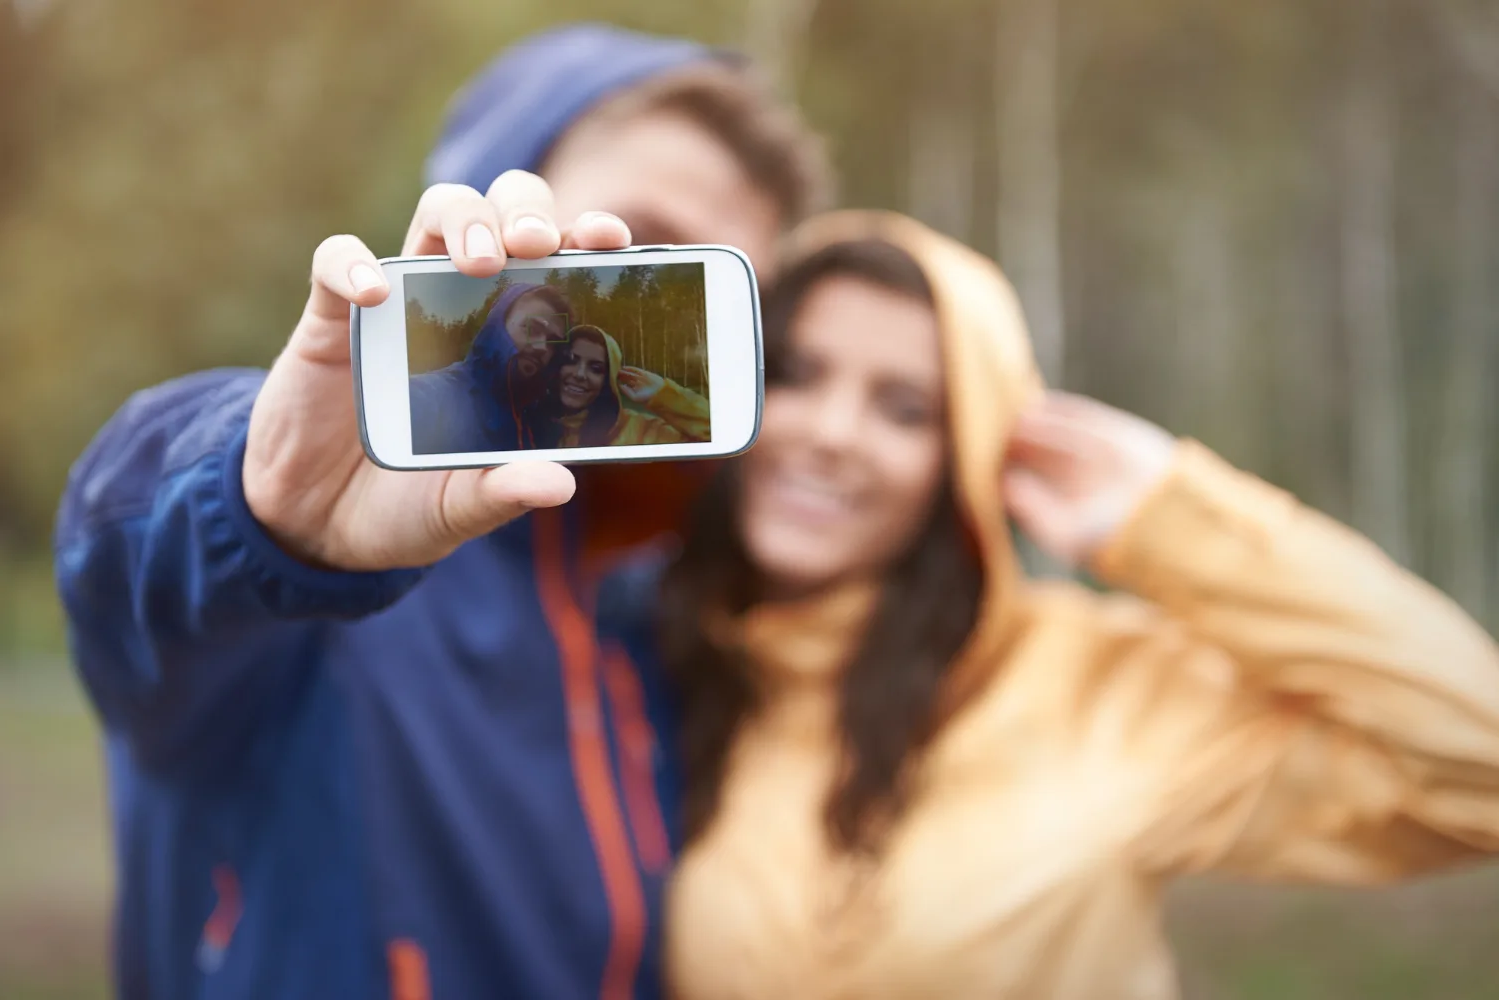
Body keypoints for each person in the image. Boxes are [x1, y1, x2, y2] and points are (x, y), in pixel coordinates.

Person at [53, 22, 828, 1000]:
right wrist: (258, 513)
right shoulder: (316, 574)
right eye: (640, 243)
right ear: (504, 211)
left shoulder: (657, 614)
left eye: (713, 286)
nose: (654, 297)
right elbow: (122, 558)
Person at [593, 211, 1495, 1000]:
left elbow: (1481, 767)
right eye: (793, 372)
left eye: (905, 409)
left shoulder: (1097, 683)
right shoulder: (646, 670)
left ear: (969, 453)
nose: (830, 434)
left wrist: (1177, 521)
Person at [409, 282, 574, 454]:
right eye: (532, 329)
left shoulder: (534, 420)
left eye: (552, 342)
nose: (543, 347)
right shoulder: (432, 396)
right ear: (497, 326)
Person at [533, 323, 710, 448]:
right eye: (571, 361)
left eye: (596, 369)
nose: (579, 374)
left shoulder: (643, 431)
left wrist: (664, 395)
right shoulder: (529, 425)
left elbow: (716, 434)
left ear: (607, 379)